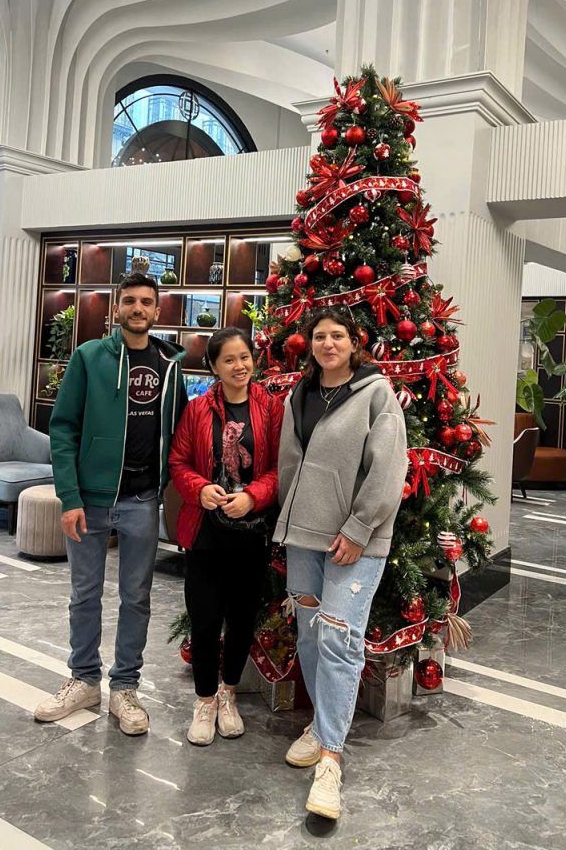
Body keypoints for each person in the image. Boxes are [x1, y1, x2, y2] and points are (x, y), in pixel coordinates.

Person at [34, 272, 187, 735]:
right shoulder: (89, 357)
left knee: (137, 597)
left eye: (146, 302)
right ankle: (83, 680)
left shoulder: (170, 362)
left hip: (143, 499)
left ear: (158, 310)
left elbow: (180, 429)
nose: (138, 309)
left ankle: (125, 687)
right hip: (91, 501)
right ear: (116, 308)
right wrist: (70, 497)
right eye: (130, 301)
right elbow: (63, 428)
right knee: (84, 594)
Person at [274, 307, 408, 821]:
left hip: (355, 540)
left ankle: (330, 758)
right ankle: (320, 726)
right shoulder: (301, 394)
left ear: (355, 343)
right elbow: (291, 463)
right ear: (309, 344)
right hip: (303, 537)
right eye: (319, 336)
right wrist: (288, 518)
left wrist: (357, 528)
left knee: (338, 639)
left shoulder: (376, 394)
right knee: (310, 635)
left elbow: (389, 469)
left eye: (337, 336)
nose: (327, 344)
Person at [168, 326, 283, 746]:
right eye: (229, 360)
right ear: (214, 367)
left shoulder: (271, 408)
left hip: (251, 534)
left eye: (245, 357)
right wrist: (199, 488)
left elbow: (280, 468)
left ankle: (228, 693)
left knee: (241, 620)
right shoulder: (197, 409)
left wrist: (253, 496)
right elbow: (178, 462)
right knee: (204, 619)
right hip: (205, 533)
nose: (239, 366)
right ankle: (204, 700)